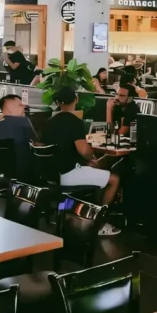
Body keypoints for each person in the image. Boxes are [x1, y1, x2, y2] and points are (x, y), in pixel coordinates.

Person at [40, 88, 121, 235]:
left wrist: (86, 163)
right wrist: (93, 158)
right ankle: (98, 222)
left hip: (51, 174)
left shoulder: (49, 122)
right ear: (76, 100)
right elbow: (84, 151)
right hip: (68, 174)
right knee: (114, 179)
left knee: (93, 171)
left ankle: (75, 211)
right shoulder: (75, 122)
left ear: (58, 103)